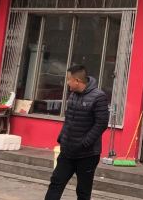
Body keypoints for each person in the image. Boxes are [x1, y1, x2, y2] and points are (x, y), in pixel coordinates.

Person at [45, 65, 109, 200]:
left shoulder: (99, 97)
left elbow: (101, 124)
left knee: (83, 191)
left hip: (87, 154)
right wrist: (62, 137)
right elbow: (69, 119)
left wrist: (84, 143)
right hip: (67, 151)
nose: (67, 82)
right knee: (56, 183)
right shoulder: (73, 95)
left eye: (69, 79)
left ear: (77, 81)